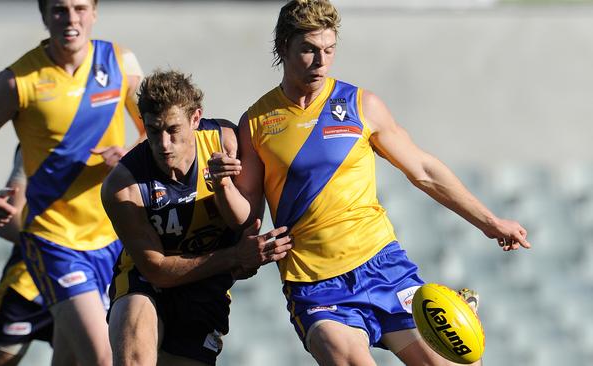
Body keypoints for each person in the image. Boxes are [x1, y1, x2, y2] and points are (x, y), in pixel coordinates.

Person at [206, 1, 532, 365]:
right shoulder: (257, 121)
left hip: (383, 268)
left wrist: (490, 222)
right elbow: (245, 214)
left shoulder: (361, 104)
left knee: (458, 362)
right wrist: (222, 186)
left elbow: (423, 169)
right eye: (309, 50)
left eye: (329, 50)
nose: (321, 62)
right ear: (283, 46)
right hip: (317, 285)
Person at [0, 0, 146, 364]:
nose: (71, 19)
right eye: (60, 10)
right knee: (104, 358)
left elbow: (154, 132)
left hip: (108, 241)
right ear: (44, 15)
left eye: (79, 8)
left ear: (94, 11)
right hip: (52, 242)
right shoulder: (18, 81)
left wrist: (130, 157)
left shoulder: (120, 63)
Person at [101, 69, 293, 366]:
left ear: (195, 118)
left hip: (207, 285)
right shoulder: (123, 185)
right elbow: (157, 270)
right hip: (147, 280)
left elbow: (246, 224)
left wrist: (224, 187)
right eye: (153, 131)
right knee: (133, 356)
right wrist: (235, 257)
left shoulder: (226, 143)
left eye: (173, 130)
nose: (164, 144)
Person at [0, 146, 54, 366]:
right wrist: (69, 251)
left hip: (90, 285)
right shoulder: (35, 139)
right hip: (28, 286)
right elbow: (8, 226)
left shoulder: (132, 136)